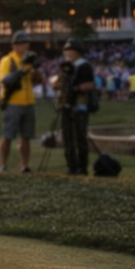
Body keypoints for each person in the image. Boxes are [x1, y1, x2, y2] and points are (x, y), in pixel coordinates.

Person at [0, 32, 38, 174]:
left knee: (26, 136)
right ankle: (3, 165)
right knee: (8, 135)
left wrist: (35, 68)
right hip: (13, 102)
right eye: (22, 44)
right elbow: (5, 80)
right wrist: (21, 71)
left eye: (27, 43)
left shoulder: (29, 60)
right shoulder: (7, 60)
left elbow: (38, 81)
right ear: (15, 45)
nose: (26, 46)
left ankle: (25, 165)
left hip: (28, 101)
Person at [58, 38, 96, 176]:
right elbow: (57, 83)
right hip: (66, 105)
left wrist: (75, 88)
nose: (68, 54)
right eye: (66, 51)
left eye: (71, 51)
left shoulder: (84, 66)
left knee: (80, 137)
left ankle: (82, 166)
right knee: (67, 137)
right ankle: (71, 166)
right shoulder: (64, 67)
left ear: (77, 52)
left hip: (80, 105)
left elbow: (90, 85)